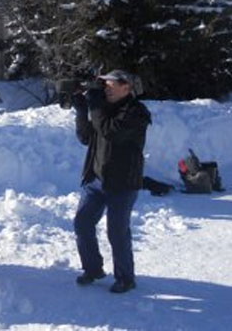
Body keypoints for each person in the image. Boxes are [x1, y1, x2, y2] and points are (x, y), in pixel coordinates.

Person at [72, 69, 151, 294]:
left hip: (123, 183)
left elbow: (109, 132)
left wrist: (95, 104)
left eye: (111, 84)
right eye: (103, 83)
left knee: (116, 232)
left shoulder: (136, 112)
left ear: (127, 87)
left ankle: (126, 278)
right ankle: (93, 269)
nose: (105, 87)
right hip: (96, 180)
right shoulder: (103, 110)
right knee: (82, 223)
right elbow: (86, 137)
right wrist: (80, 108)